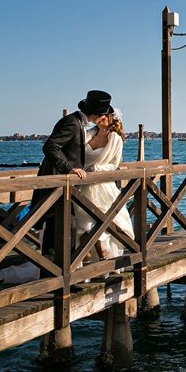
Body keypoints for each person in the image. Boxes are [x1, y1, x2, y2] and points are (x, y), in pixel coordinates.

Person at [31, 90, 114, 258]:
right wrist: (69, 169)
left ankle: (57, 277)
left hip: (64, 186)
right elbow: (50, 147)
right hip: (58, 184)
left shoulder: (78, 123)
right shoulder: (72, 122)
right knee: (64, 229)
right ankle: (58, 277)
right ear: (97, 114)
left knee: (61, 230)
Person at [73, 108, 134, 264]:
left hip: (102, 187)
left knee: (102, 224)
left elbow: (114, 165)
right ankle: (85, 263)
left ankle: (103, 261)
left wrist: (95, 169)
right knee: (83, 225)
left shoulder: (116, 139)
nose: (100, 119)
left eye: (104, 116)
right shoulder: (87, 134)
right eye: (98, 116)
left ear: (111, 118)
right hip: (82, 185)